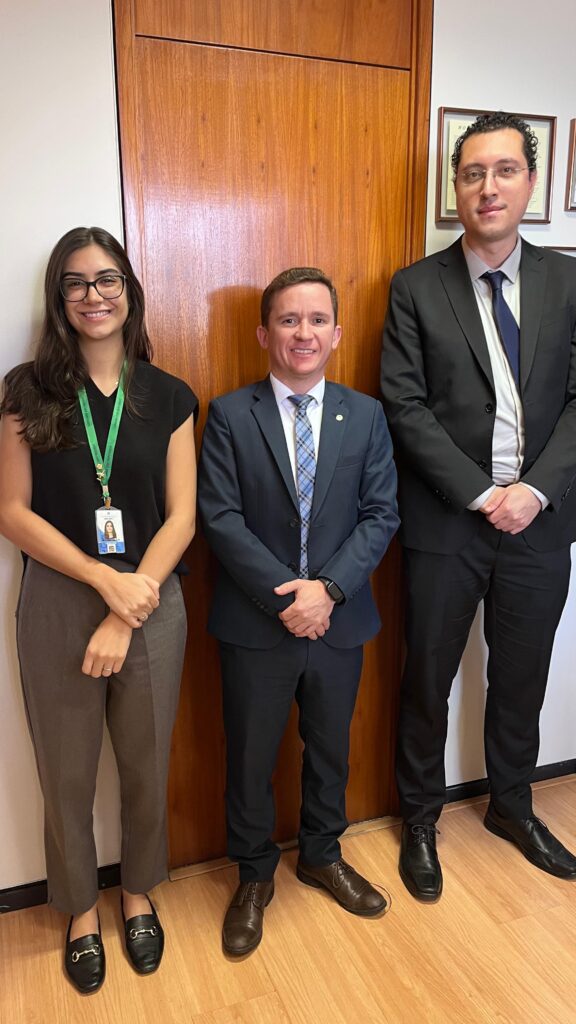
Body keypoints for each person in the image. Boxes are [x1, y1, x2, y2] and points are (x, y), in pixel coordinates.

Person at [381, 111, 576, 903]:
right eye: (471, 174)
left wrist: (532, 491)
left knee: (522, 674)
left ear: (530, 184)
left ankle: (512, 804)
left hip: (542, 521)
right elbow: (404, 404)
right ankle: (420, 818)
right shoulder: (415, 286)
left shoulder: (568, 279)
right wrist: (482, 492)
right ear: (454, 189)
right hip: (446, 522)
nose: (487, 187)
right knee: (427, 674)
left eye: (503, 171)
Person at [0, 227, 197, 992]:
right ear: (59, 298)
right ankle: (81, 909)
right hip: (56, 597)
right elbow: (12, 512)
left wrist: (127, 602)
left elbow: (182, 516)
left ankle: (137, 892)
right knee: (67, 770)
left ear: (129, 291)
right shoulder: (24, 391)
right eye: (77, 283)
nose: (94, 295)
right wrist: (98, 580)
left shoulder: (170, 394)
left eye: (108, 279)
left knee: (147, 765)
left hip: (152, 596)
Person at [198, 267, 399, 957]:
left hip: (339, 621)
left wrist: (329, 591)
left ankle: (322, 854)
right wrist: (290, 596)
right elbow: (220, 520)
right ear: (264, 333)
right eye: (288, 320)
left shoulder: (367, 414)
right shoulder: (228, 413)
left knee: (331, 751)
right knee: (251, 756)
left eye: (317, 320)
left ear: (337, 333)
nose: (303, 333)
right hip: (257, 623)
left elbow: (381, 515)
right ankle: (254, 875)